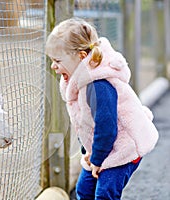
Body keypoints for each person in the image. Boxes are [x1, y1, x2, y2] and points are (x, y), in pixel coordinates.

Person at [45, 17, 159, 200]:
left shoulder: (98, 85)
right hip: (104, 147)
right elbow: (87, 122)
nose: (53, 66)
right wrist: (89, 153)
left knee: (105, 194)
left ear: (81, 57)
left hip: (124, 146)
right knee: (84, 189)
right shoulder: (80, 79)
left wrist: (97, 159)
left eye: (57, 61)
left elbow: (106, 128)